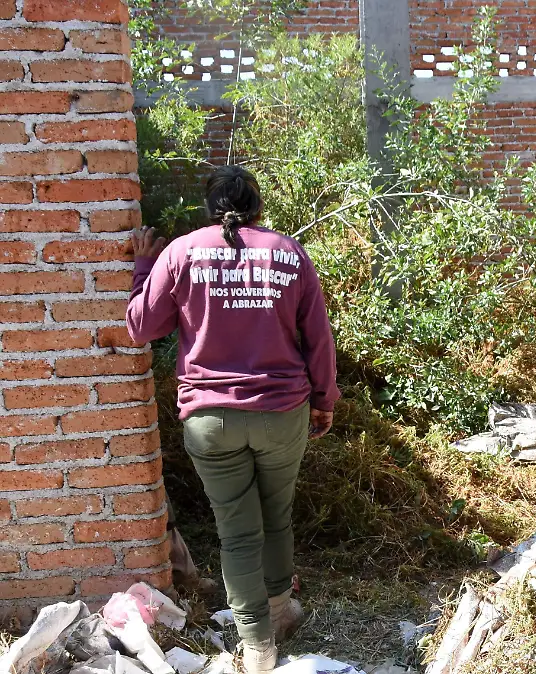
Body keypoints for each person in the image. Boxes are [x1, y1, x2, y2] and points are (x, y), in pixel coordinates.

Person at [127, 165, 340, 673]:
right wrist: (324, 399)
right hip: (281, 412)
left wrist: (142, 267)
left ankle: (258, 647)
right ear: (258, 207)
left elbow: (141, 327)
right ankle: (281, 609)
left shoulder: (180, 252)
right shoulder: (287, 254)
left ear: (209, 207)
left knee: (238, 533)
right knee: (276, 515)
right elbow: (319, 338)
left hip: (210, 419)